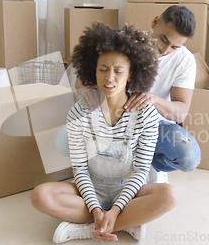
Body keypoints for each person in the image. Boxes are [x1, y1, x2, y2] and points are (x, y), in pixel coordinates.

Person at [31, 23, 178, 243]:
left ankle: (87, 228)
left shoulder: (146, 114)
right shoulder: (79, 112)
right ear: (93, 70)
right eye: (103, 69)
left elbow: (140, 171)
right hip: (90, 188)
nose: (110, 78)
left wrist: (117, 209)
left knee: (169, 195)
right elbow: (80, 169)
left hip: (128, 190)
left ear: (131, 74)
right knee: (40, 195)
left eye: (119, 71)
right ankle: (122, 224)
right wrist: (96, 209)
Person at [56, 5, 201, 183]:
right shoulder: (124, 42)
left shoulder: (185, 60)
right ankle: (114, 164)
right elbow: (82, 80)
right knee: (63, 141)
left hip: (155, 125)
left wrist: (154, 99)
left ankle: (150, 164)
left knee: (189, 157)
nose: (164, 50)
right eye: (163, 39)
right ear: (155, 22)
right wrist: (86, 92)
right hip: (113, 120)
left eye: (174, 47)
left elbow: (180, 111)